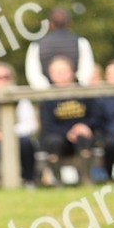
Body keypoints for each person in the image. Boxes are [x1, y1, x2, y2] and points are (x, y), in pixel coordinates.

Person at [37, 55, 94, 185]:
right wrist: (69, 132)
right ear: (50, 75)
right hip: (57, 137)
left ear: (72, 71)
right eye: (56, 72)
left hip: (81, 137)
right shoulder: (47, 97)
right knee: (53, 141)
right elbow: (47, 125)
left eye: (63, 71)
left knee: (83, 137)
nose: (60, 75)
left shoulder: (86, 93)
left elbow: (95, 116)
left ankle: (86, 179)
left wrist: (84, 126)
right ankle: (58, 181)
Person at [25, 7, 95, 88]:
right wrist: (77, 86)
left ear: (50, 24)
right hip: (75, 92)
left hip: (47, 95)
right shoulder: (81, 42)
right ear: (69, 23)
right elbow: (86, 72)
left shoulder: (36, 45)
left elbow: (33, 74)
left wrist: (46, 90)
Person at [90, 59, 114, 180]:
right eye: (111, 74)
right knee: (110, 144)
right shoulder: (101, 98)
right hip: (109, 133)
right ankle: (109, 177)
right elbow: (99, 121)